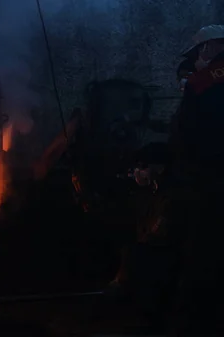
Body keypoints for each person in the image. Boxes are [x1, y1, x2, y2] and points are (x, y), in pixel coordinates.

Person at [168, 24, 224, 335]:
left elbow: (194, 134)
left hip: (207, 181)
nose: (198, 59)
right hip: (207, 176)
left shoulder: (205, 85)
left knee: (203, 254)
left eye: (201, 51)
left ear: (212, 48)